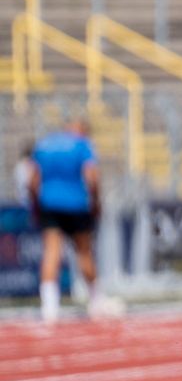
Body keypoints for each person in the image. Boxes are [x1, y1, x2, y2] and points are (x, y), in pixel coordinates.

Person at [26, 118, 103, 324]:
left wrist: (35, 204)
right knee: (84, 252)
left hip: (49, 203)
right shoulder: (82, 145)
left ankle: (50, 308)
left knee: (51, 252)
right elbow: (92, 176)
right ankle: (95, 300)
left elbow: (32, 180)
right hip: (77, 204)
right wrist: (96, 201)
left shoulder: (44, 144)